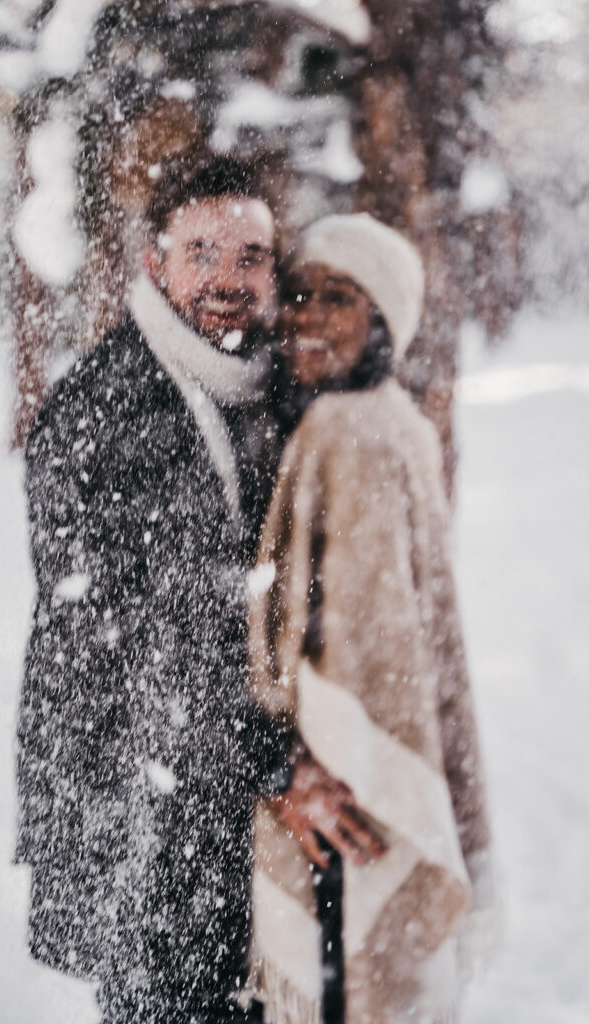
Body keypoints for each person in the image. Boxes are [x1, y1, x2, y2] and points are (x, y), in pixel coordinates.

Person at [14, 158, 295, 1024]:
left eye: (250, 255)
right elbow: (155, 643)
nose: (227, 277)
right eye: (202, 250)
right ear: (154, 264)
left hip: (245, 800)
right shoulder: (100, 413)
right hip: (146, 797)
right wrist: (280, 764)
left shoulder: (275, 393)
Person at [248, 214, 494, 1024]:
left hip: (342, 800)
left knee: (342, 985)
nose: (307, 316)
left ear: (381, 320)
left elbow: (362, 643)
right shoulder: (397, 421)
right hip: (366, 778)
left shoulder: (344, 431)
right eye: (299, 294)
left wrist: (300, 751)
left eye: (339, 297)